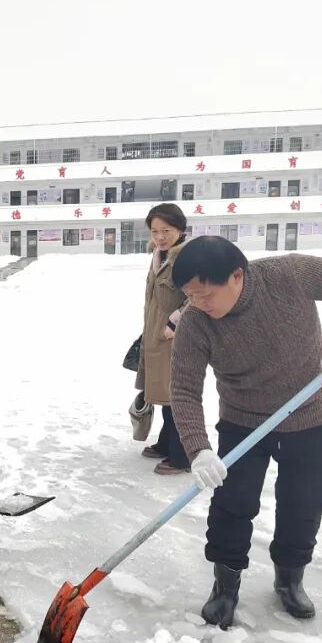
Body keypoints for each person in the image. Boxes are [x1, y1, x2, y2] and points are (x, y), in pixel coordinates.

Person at [170, 236, 322, 628]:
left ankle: (290, 576)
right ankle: (225, 583)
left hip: (310, 412)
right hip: (243, 419)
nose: (198, 304)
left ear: (237, 275)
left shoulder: (290, 275)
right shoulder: (196, 323)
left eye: (205, 294)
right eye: (190, 297)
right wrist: (198, 450)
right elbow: (183, 388)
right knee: (232, 503)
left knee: (305, 501)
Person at [135, 204, 190, 476]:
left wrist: (173, 322)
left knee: (176, 397)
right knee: (163, 394)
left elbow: (200, 297)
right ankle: (167, 443)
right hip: (156, 337)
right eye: (155, 231)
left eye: (165, 231)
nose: (159, 237)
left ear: (180, 229)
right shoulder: (159, 254)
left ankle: (182, 456)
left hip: (177, 338)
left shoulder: (188, 257)